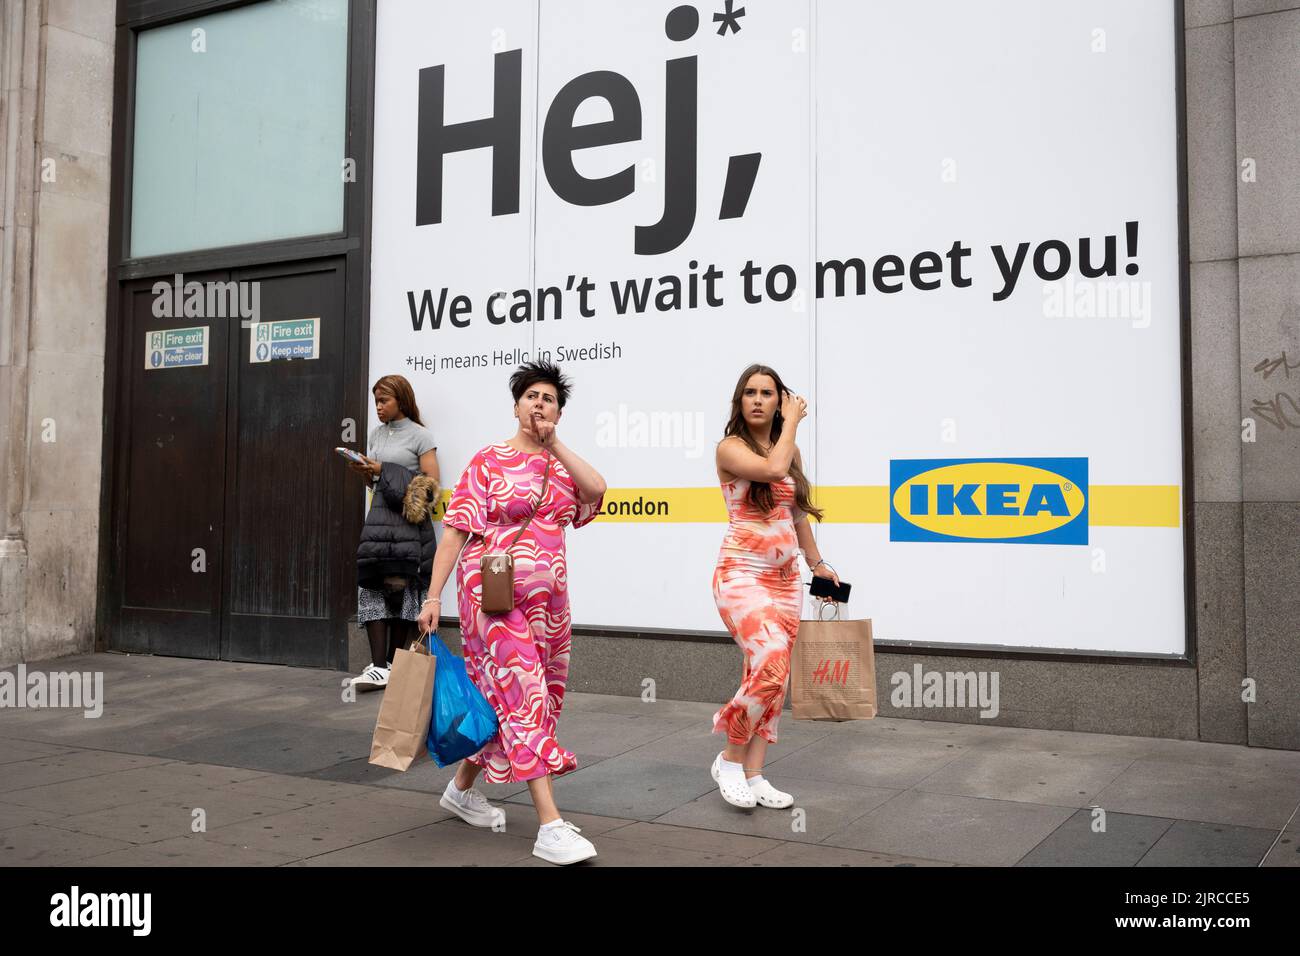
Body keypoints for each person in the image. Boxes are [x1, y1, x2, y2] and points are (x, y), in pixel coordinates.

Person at [417, 361, 606, 865]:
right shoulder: (489, 461)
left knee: (527, 697)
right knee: (523, 693)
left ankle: (460, 790)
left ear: (558, 412)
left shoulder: (562, 467)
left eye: (549, 399)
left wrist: (554, 445)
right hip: (492, 596)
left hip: (548, 605)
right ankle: (549, 824)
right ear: (516, 405)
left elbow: (598, 489)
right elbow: (456, 530)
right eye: (531, 397)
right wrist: (434, 596)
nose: (539, 404)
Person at [710, 364, 840, 809]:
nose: (759, 400)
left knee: (774, 678)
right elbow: (772, 467)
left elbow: (796, 514)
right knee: (768, 662)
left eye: (768, 393)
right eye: (751, 392)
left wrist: (817, 563)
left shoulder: (790, 451)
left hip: (785, 583)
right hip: (741, 576)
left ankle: (755, 772)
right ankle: (729, 760)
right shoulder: (730, 448)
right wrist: (794, 422)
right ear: (739, 401)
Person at [346, 375, 439, 691]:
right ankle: (377, 666)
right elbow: (375, 485)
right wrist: (367, 474)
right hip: (378, 523)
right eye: (376, 402)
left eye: (384, 401)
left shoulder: (421, 436)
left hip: (407, 526)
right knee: (371, 587)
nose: (379, 408)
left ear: (401, 399)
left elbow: (430, 486)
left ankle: (395, 665)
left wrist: (383, 470)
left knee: (400, 589)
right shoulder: (376, 435)